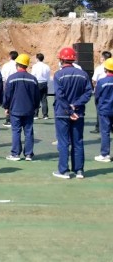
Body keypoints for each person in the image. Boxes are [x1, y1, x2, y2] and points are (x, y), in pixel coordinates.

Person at [52, 47, 92, 179]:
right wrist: (75, 105)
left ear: (62, 59)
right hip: (78, 113)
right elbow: (88, 93)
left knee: (63, 142)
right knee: (78, 142)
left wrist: (69, 110)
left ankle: (64, 171)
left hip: (62, 113)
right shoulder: (83, 74)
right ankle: (79, 170)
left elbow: (60, 95)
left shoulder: (58, 75)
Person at [3, 54, 40, 161]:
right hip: (29, 110)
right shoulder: (33, 79)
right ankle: (28, 154)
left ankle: (15, 154)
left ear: (17, 64)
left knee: (16, 131)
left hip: (15, 109)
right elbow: (36, 96)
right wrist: (36, 107)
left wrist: (6, 107)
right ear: (26, 65)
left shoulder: (11, 78)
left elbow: (7, 95)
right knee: (28, 131)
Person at [94, 58, 113, 162]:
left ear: (106, 69)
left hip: (105, 110)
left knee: (105, 132)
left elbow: (97, 96)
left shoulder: (102, 81)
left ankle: (105, 154)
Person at [91, 51, 112, 134]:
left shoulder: (99, 68)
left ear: (103, 59)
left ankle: (99, 127)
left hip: (101, 91)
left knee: (100, 109)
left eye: (101, 57)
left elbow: (94, 80)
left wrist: (96, 88)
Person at [1, 51, 19, 127]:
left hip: (7, 85)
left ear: (10, 56)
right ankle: (15, 118)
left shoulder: (6, 65)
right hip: (17, 86)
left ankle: (8, 120)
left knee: (7, 102)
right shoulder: (18, 65)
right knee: (16, 101)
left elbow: (3, 78)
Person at [31, 53, 51, 120]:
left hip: (37, 83)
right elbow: (48, 76)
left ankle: (35, 115)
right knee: (44, 99)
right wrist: (47, 84)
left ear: (37, 58)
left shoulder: (35, 66)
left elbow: (33, 75)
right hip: (44, 83)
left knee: (36, 99)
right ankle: (45, 115)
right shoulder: (46, 66)